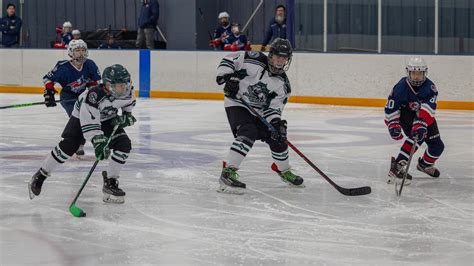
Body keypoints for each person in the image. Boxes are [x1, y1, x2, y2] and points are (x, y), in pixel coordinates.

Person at [29, 64, 137, 204]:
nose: (124, 89)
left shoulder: (127, 91)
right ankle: (41, 175)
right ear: (108, 85)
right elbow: (90, 125)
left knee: (124, 144)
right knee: (68, 147)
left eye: (126, 84)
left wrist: (127, 116)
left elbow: (128, 104)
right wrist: (98, 142)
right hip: (81, 118)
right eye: (120, 85)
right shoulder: (93, 97)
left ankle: (111, 182)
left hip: (107, 118)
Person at [215, 38, 303, 194]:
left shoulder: (283, 84)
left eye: (284, 58)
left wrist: (276, 123)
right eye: (278, 56)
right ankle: (228, 171)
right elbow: (229, 60)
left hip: (260, 111)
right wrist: (227, 77)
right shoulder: (253, 59)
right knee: (248, 131)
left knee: (278, 136)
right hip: (237, 102)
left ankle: (283, 170)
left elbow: (273, 108)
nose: (280, 61)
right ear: (271, 55)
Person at [384, 57, 444, 185]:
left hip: (425, 116)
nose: (417, 77)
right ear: (408, 72)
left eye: (420, 73)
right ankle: (397, 167)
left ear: (425, 73)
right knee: (417, 136)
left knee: (438, 147)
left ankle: (424, 165)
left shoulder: (430, 87)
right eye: (414, 73)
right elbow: (391, 107)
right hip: (407, 116)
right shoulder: (400, 87)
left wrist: (421, 122)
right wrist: (393, 124)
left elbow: (429, 108)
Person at [43, 39, 101, 157]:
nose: (81, 53)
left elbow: (95, 82)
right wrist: (49, 93)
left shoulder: (90, 64)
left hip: (83, 95)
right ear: (71, 53)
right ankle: (77, 142)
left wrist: (92, 91)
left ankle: (85, 142)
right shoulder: (63, 67)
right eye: (77, 50)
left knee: (89, 117)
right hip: (67, 96)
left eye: (83, 50)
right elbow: (47, 79)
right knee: (77, 118)